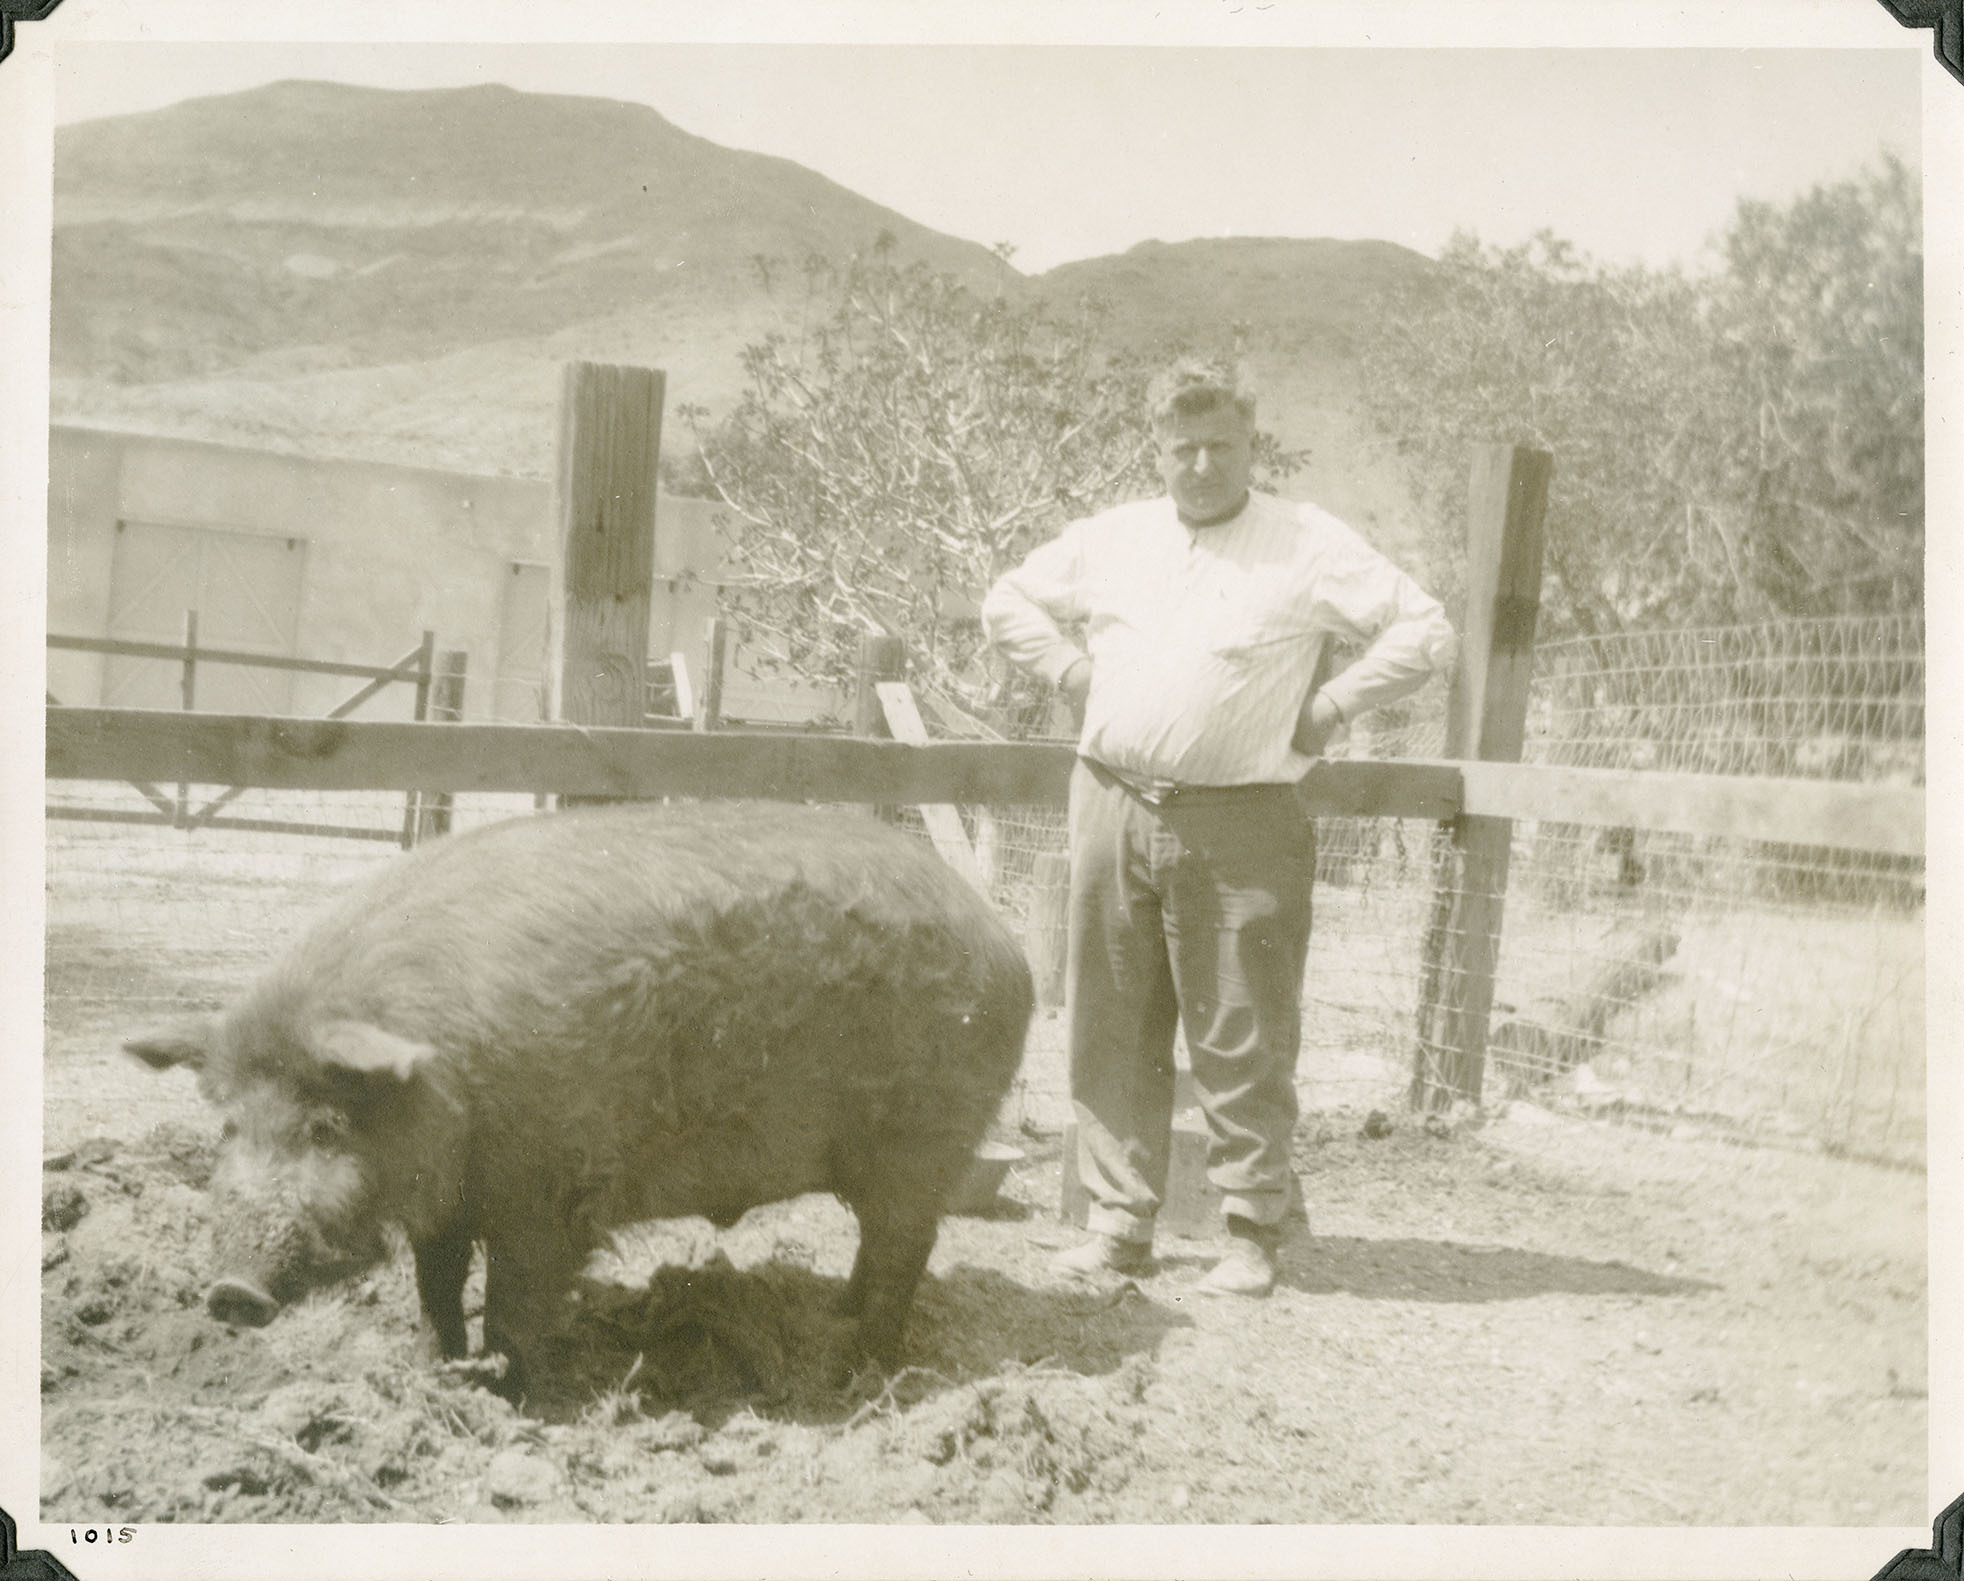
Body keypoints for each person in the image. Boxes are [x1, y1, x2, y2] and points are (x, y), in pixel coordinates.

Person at [981, 360, 1457, 1297]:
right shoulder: (1113, 536)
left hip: (1243, 818)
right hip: (1113, 800)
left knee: (1243, 1029)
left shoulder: (1307, 542)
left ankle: (1250, 1231)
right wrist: (1075, 677)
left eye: (1222, 447)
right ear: (1157, 450)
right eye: (1182, 448)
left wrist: (1332, 706)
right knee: (1110, 1024)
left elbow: (1426, 630)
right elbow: (1008, 602)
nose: (1201, 465)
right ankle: (1119, 1224)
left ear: (1251, 445)